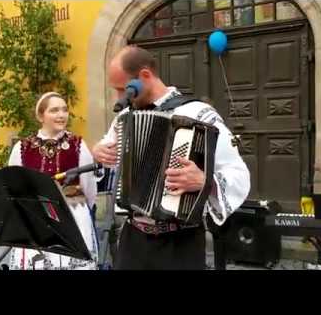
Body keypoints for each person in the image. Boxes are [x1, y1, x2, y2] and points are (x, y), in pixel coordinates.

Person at [92, 45, 251, 270]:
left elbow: (239, 174)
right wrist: (99, 150)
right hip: (132, 240)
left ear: (145, 76)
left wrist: (205, 181)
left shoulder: (198, 114)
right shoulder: (125, 118)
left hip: (180, 243)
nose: (119, 97)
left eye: (122, 89)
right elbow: (108, 158)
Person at [7, 92, 98, 270]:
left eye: (64, 110)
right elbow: (14, 187)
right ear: (41, 116)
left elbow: (89, 188)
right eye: (54, 110)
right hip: (35, 218)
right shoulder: (22, 147)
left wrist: (80, 211)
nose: (61, 115)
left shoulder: (78, 145)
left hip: (73, 215)